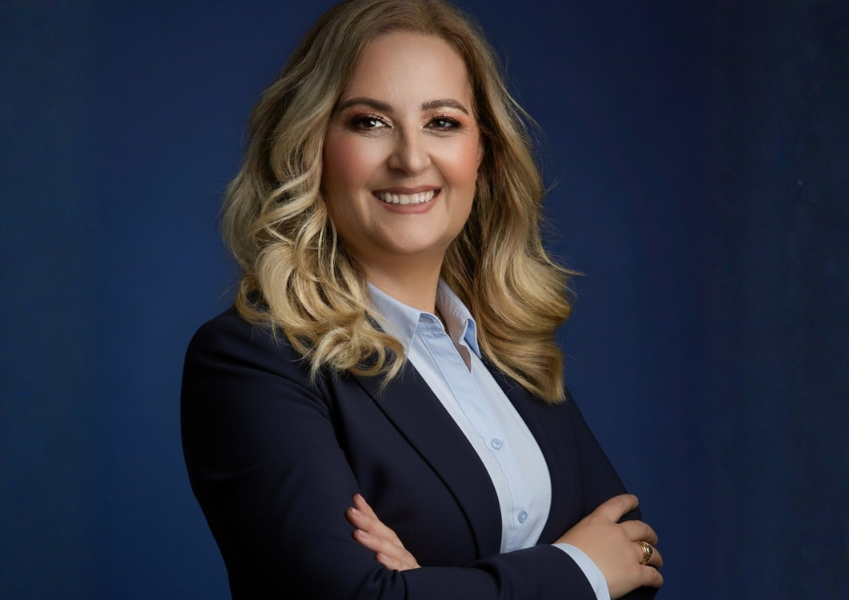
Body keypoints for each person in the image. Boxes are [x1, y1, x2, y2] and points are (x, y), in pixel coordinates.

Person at [181, 1, 663, 598]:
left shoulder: (507, 353)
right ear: (310, 146)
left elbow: (635, 562)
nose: (411, 159)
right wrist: (579, 570)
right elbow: (358, 597)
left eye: (442, 122)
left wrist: (429, 585)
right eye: (369, 122)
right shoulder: (251, 361)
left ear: (483, 154)